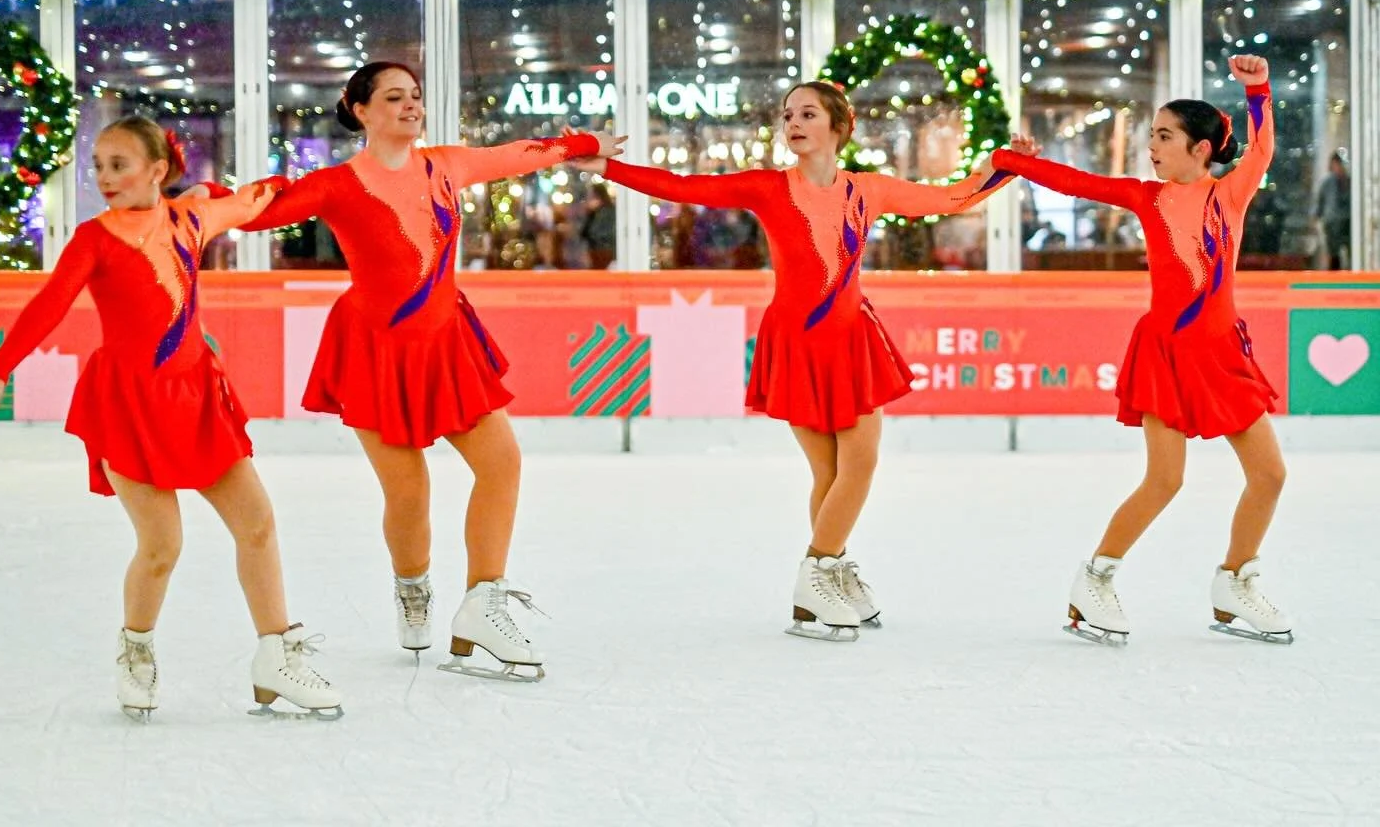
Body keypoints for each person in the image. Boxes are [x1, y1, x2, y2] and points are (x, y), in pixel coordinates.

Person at [569, 81, 1023, 641]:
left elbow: (951, 198)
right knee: (832, 472)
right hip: (798, 339)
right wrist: (604, 168)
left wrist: (1003, 167)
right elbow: (684, 187)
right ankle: (819, 577)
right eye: (788, 115)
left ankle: (826, 570)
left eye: (808, 113)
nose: (794, 123)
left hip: (852, 336)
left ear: (838, 125)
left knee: (854, 466)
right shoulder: (768, 188)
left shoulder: (869, 190)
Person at [233, 62, 625, 681]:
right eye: (395, 97)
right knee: (410, 494)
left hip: (447, 340)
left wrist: (583, 144)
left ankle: (482, 604)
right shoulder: (338, 183)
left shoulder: (445, 164)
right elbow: (254, 217)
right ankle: (412, 584)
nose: (411, 106)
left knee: (502, 463)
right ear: (360, 110)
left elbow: (518, 154)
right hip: (374, 348)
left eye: (416, 95)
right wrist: (214, 201)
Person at [0, 116, 342, 720]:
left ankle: (276, 655)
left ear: (157, 169)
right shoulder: (94, 238)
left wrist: (271, 188)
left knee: (258, 524)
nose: (106, 177)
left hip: (196, 399)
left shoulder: (190, 218)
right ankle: (135, 649)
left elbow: (250, 203)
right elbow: (50, 302)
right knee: (162, 544)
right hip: (128, 405)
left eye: (120, 164)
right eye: (99, 166)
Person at [990, 55, 1293, 646]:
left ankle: (1236, 578)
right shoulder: (1147, 198)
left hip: (1224, 353)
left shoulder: (1229, 195)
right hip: (1167, 351)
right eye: (1152, 134)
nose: (1152, 145)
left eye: (1163, 135)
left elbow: (1261, 149)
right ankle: (1095, 579)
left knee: (1270, 474)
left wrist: (1258, 90)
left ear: (1200, 148)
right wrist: (1015, 161)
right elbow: (1080, 183)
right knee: (1164, 479)